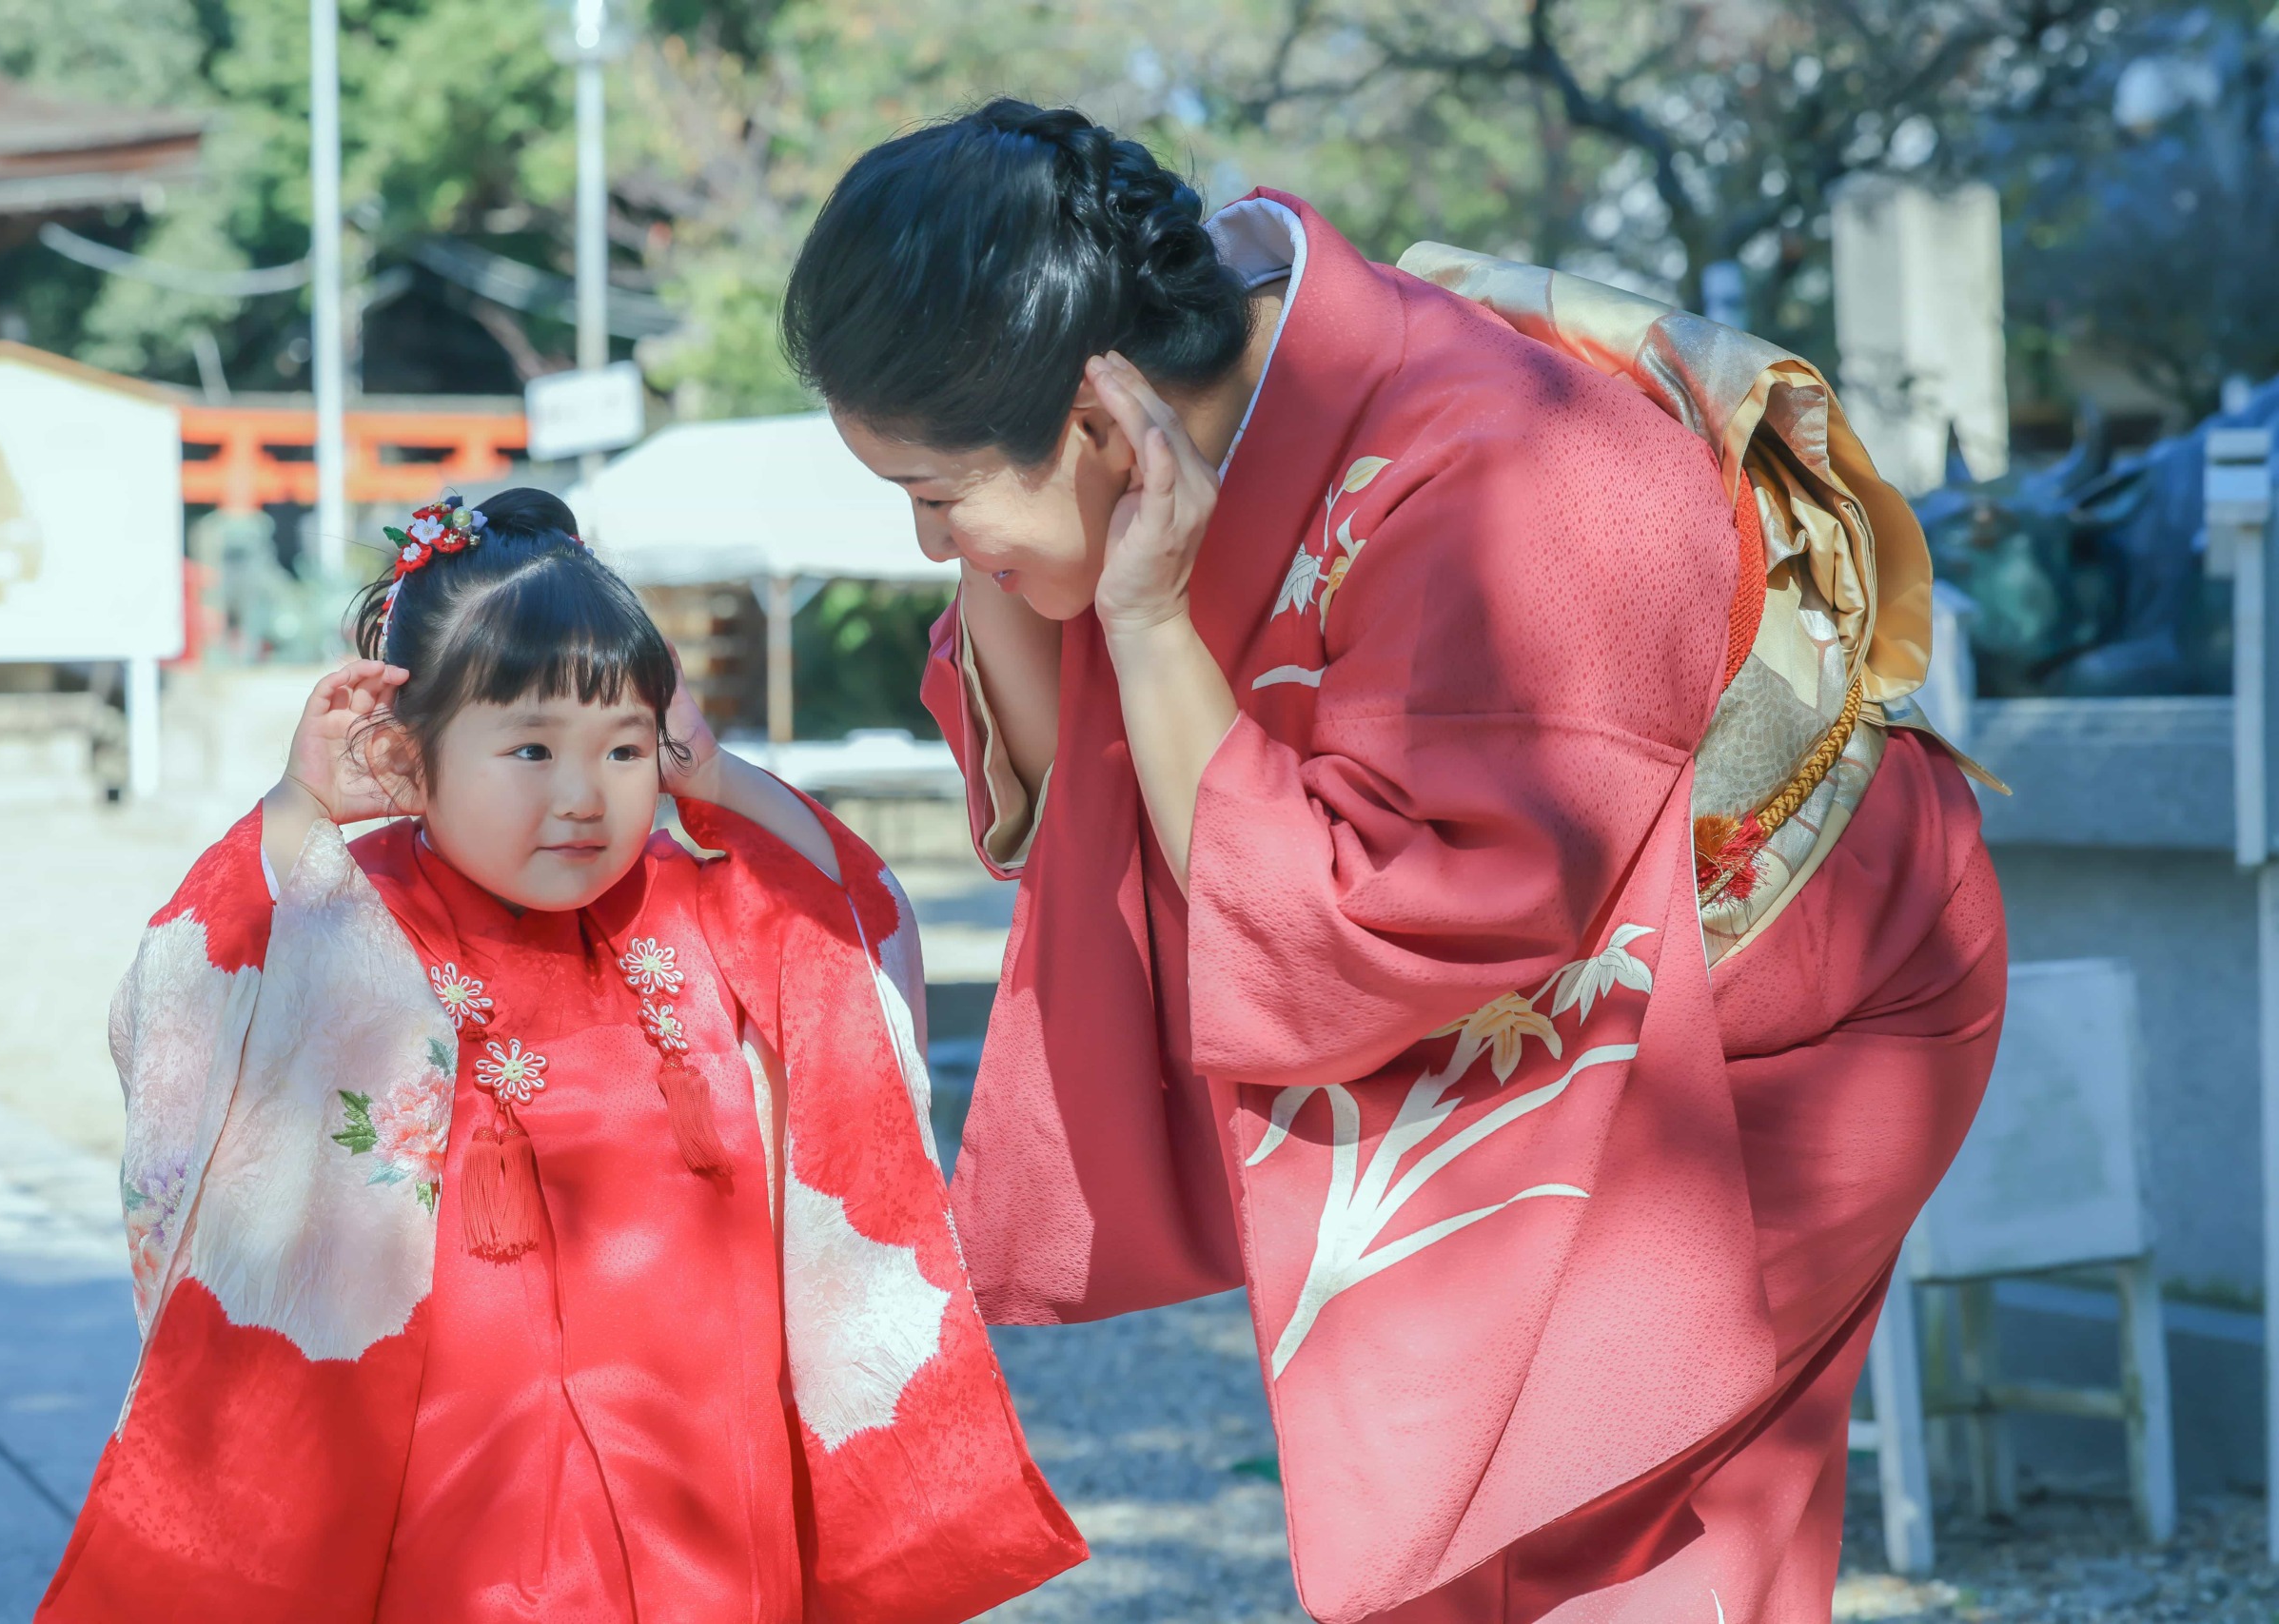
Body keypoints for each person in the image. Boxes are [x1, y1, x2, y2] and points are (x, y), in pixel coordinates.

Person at [783, 101, 2007, 1623]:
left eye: (935, 498)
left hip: (1785, 1004)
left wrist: (1154, 625)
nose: (929, 551)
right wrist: (1087, 595)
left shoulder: (1521, 480)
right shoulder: (1189, 406)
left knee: (1614, 1519)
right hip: (1557, 1006)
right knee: (1455, 1543)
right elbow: (1079, 792)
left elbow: (1371, 936)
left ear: (1100, 427)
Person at [34, 489, 1083, 1624]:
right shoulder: (360, 920)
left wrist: (716, 779)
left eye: (625, 746)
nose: (584, 796)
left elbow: (854, 922)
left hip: (704, 1462)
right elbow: (192, 991)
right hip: (458, 1475)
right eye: (530, 746)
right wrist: (300, 805)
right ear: (407, 756)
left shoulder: (695, 910)